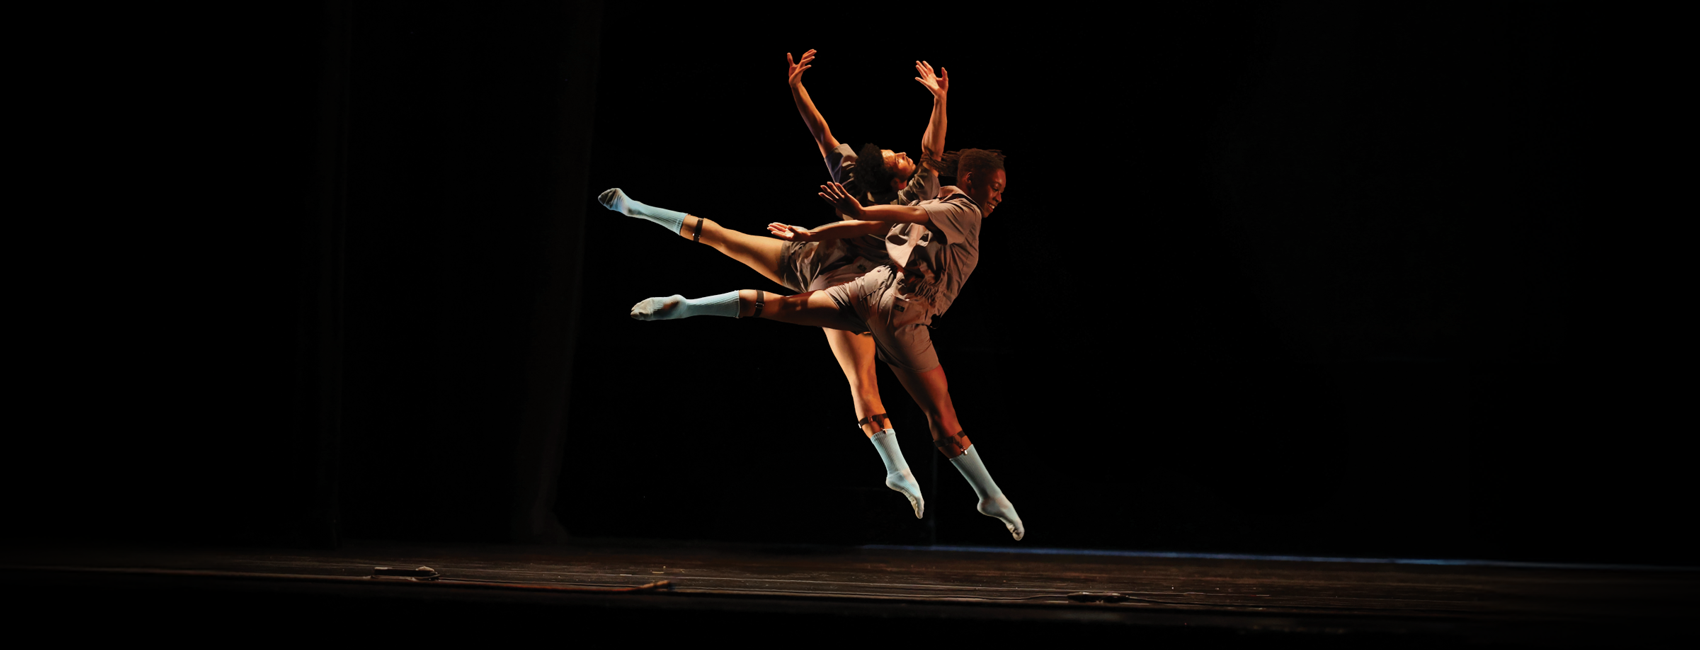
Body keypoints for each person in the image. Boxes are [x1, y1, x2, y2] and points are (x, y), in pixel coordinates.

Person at [594, 147, 1022, 540]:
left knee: (758, 281)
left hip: (831, 271)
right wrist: (937, 108)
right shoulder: (947, 204)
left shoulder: (875, 180)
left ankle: (684, 296)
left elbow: (839, 152)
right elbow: (912, 183)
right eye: (996, 188)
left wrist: (812, 233)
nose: (903, 155)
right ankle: (978, 491)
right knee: (911, 402)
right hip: (883, 299)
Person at [776, 50, 949, 521]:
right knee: (862, 381)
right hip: (849, 283)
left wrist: (797, 89)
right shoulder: (898, 189)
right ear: (890, 176)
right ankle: (897, 468)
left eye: (900, 154)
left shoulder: (882, 186)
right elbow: (824, 133)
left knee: (871, 381)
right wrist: (796, 90)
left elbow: (824, 133)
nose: (904, 155)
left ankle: (900, 468)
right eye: (898, 157)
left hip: (864, 284)